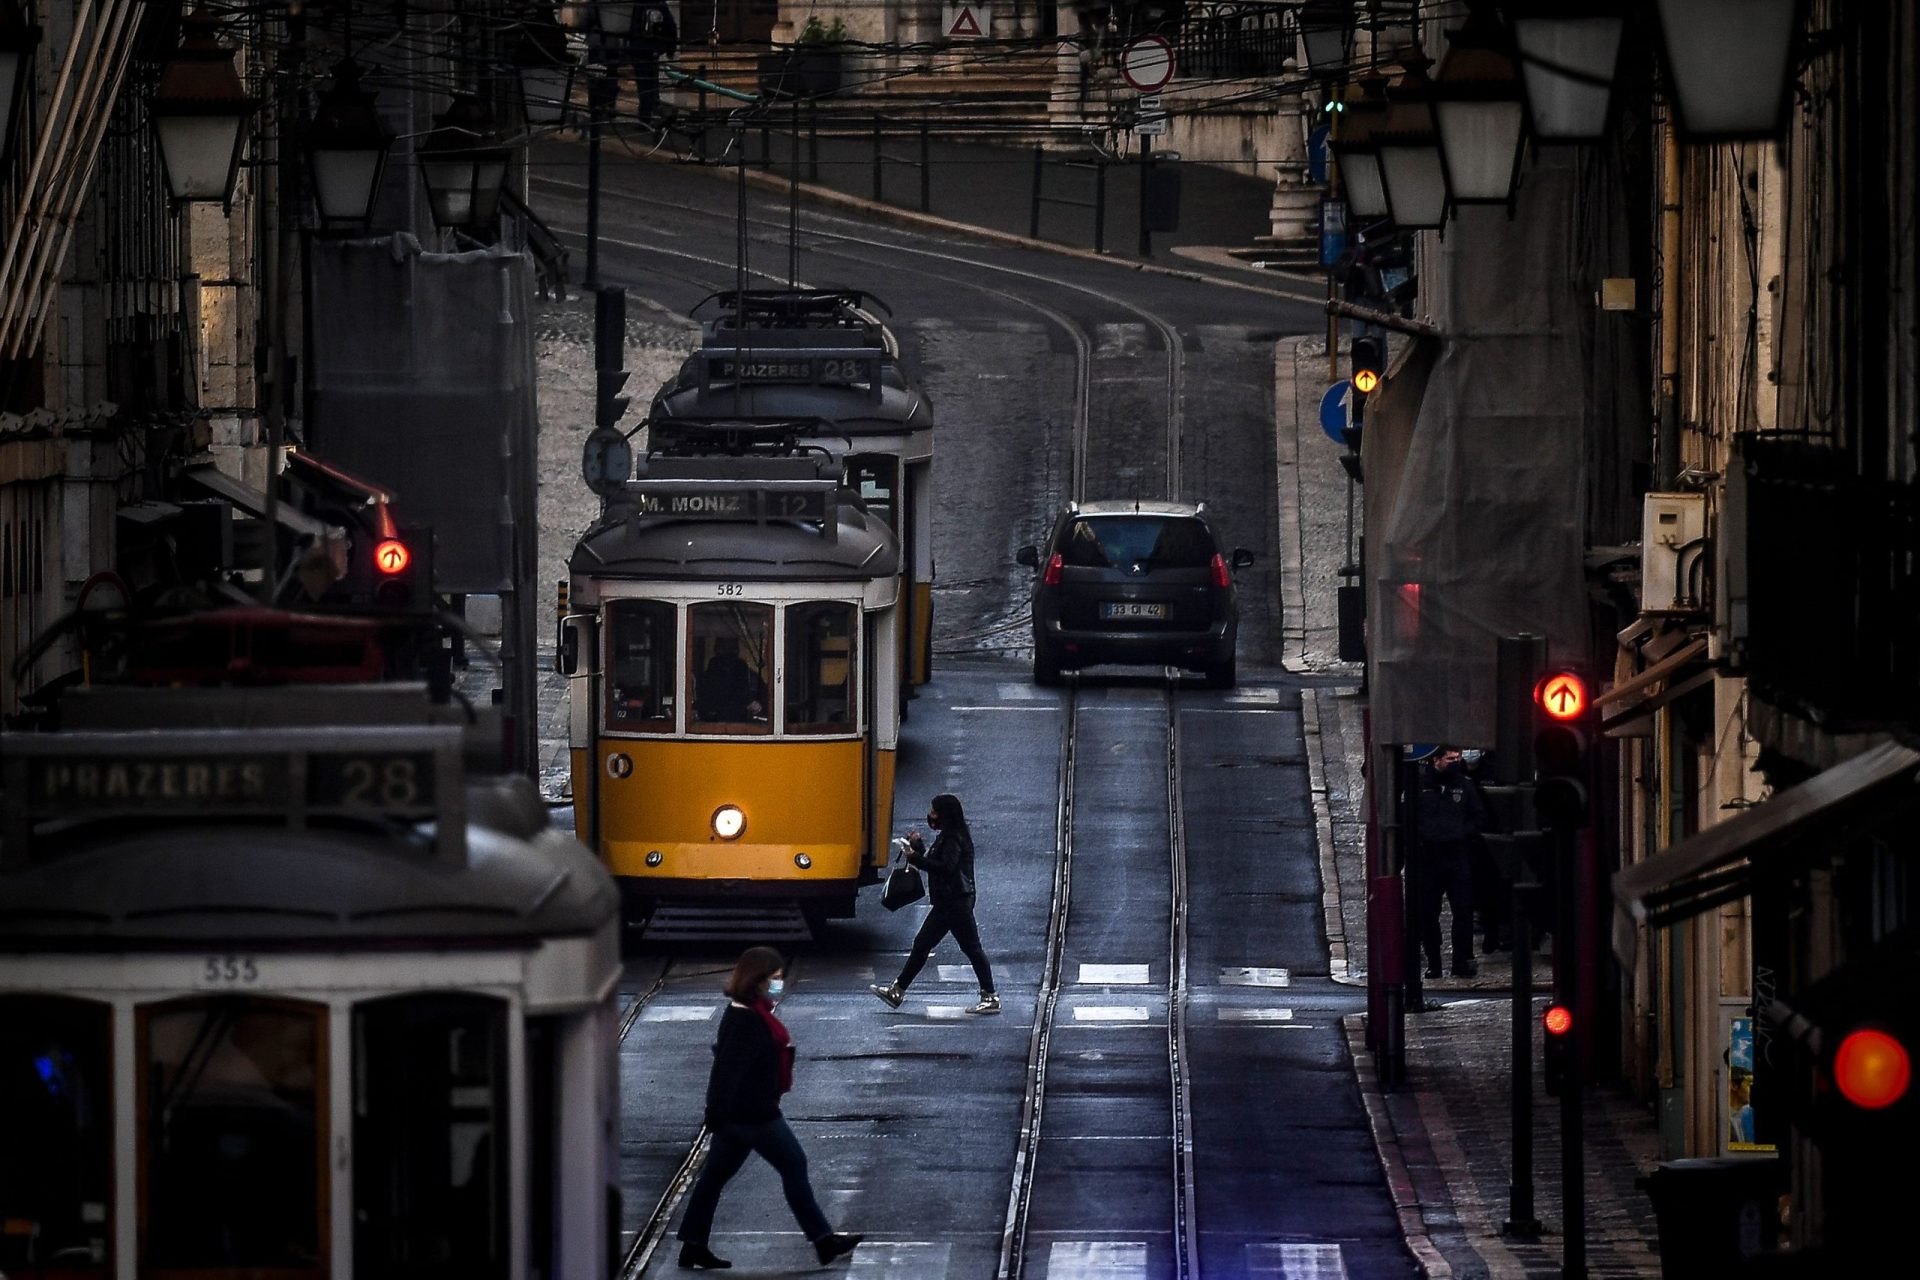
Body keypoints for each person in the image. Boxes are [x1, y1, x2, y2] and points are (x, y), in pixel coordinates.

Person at [676, 946, 862, 1270]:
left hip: (737, 1115)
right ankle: (823, 1241)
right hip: (754, 1114)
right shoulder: (746, 1019)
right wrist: (715, 1112)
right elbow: (726, 1070)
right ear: (756, 980)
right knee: (794, 1164)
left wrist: (719, 1113)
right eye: (774, 979)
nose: (779, 985)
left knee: (713, 1179)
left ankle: (693, 1245)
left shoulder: (750, 1011)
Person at [869, 794, 1000, 1014]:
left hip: (954, 902)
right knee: (934, 945)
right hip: (951, 901)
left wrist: (914, 858)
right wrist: (917, 847)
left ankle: (990, 996)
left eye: (934, 811)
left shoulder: (953, 838)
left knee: (962, 947)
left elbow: (945, 867)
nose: (931, 815)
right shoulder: (949, 835)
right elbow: (937, 862)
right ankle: (897, 990)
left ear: (944, 814)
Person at [1413, 748, 1488, 979]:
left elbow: (1478, 817)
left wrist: (1460, 833)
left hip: (1457, 856)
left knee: (1463, 912)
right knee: (1428, 913)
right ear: (1437, 759)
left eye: (1457, 758)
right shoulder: (1421, 785)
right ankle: (1434, 964)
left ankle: (1461, 962)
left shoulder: (1464, 785)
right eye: (1450, 759)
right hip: (1430, 858)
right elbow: (1410, 816)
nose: (1455, 762)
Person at [695, 638, 764, 722]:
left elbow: (764, 701)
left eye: (731, 647)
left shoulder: (751, 678)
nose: (727, 657)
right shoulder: (708, 676)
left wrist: (757, 703)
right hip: (714, 724)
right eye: (724, 647)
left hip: (742, 725)